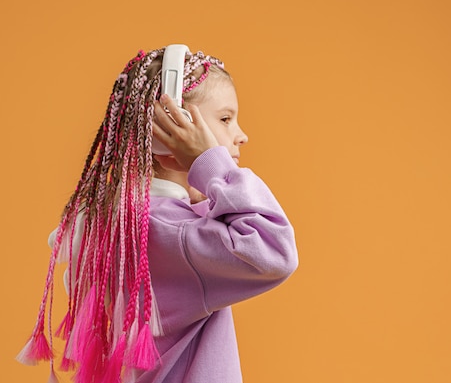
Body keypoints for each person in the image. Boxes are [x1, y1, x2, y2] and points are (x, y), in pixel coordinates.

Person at [17, 46, 299, 383]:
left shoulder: (125, 224)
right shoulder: (173, 233)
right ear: (169, 132)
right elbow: (274, 251)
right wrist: (209, 162)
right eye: (225, 118)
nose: (242, 135)